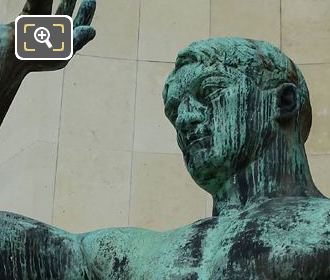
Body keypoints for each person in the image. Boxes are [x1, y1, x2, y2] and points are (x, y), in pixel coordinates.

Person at [0, 1, 329, 279]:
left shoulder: (322, 227)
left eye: (209, 91)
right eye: (175, 109)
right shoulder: (132, 256)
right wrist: (13, 50)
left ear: (284, 102)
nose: (185, 118)